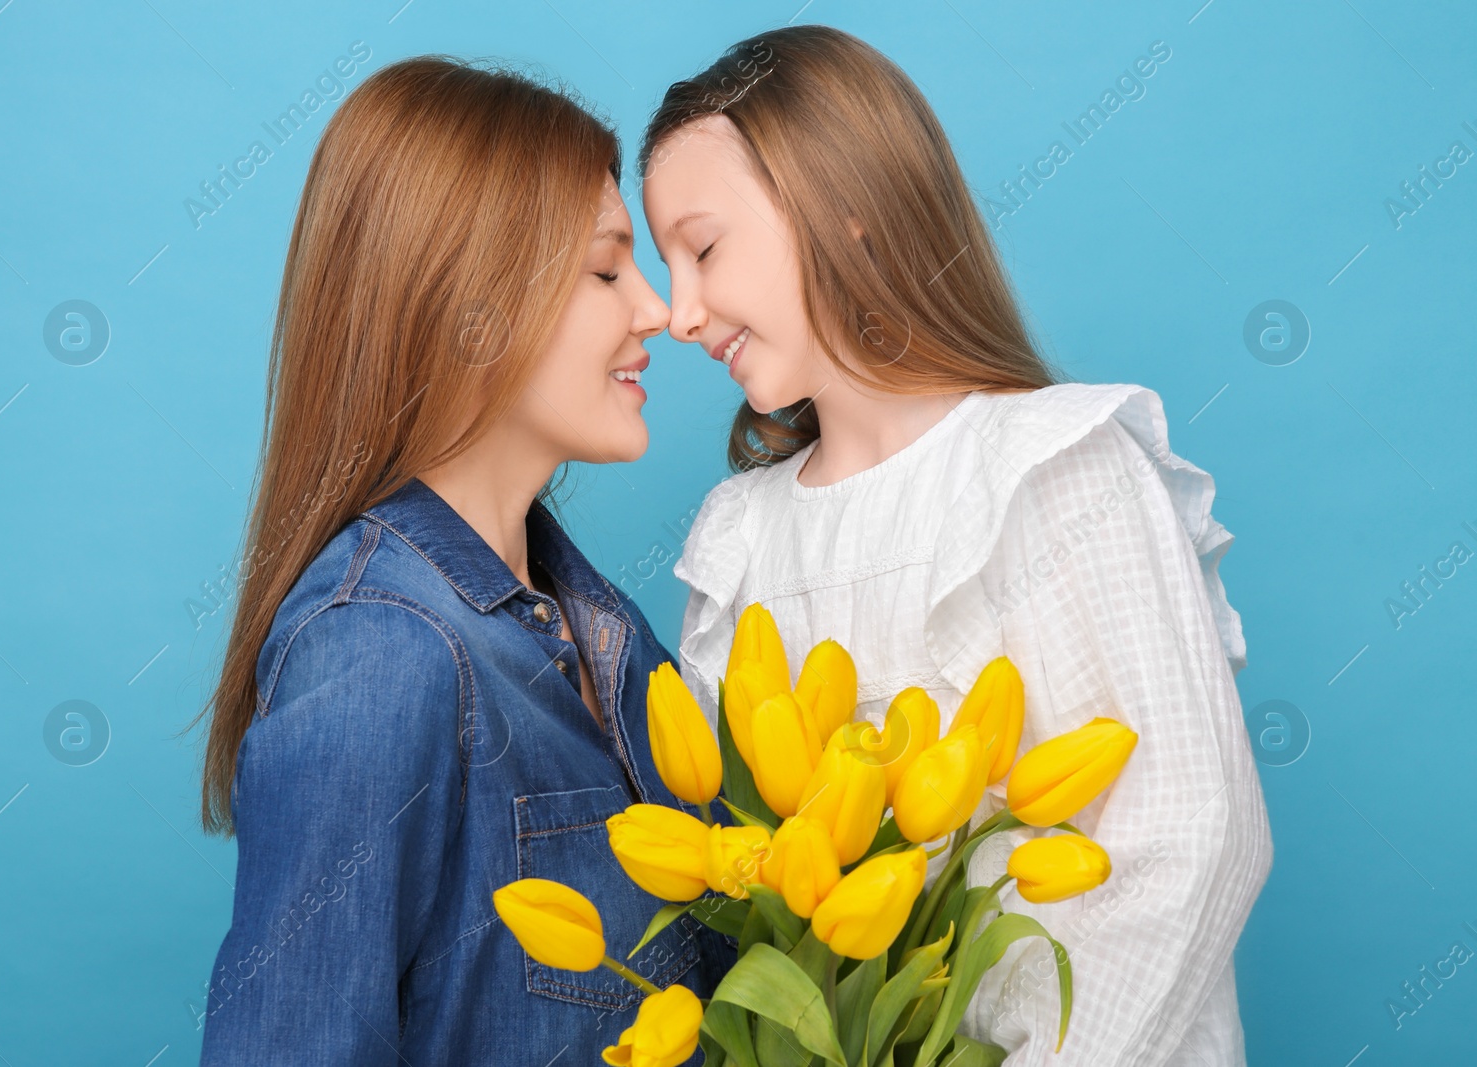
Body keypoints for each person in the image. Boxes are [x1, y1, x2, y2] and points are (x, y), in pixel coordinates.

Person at [640, 25, 1273, 1066]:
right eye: (666, 265)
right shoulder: (740, 538)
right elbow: (743, 886)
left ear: (844, 208)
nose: (680, 312)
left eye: (702, 249)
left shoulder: (1053, 471)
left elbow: (1193, 839)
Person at [194, 55, 730, 1066]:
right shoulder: (379, 651)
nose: (656, 310)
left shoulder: (601, 626)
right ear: (478, 312)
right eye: (609, 267)